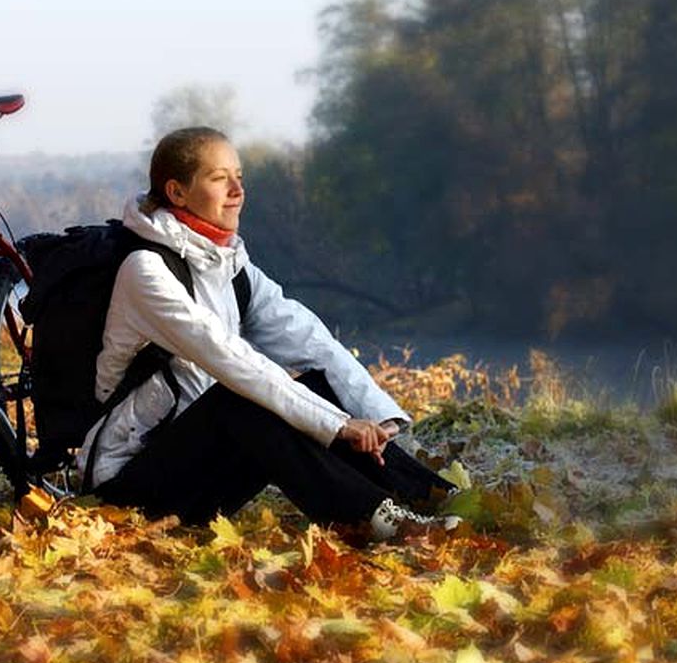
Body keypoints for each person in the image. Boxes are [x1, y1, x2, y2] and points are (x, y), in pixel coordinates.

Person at [79, 126, 457, 541]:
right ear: (177, 192)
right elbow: (231, 360)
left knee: (317, 383)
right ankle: (375, 521)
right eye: (219, 178)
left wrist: (375, 417)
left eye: (239, 176)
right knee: (245, 398)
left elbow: (310, 340)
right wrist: (337, 425)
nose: (237, 191)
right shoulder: (145, 271)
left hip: (202, 465)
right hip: (129, 491)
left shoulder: (230, 266)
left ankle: (433, 497)